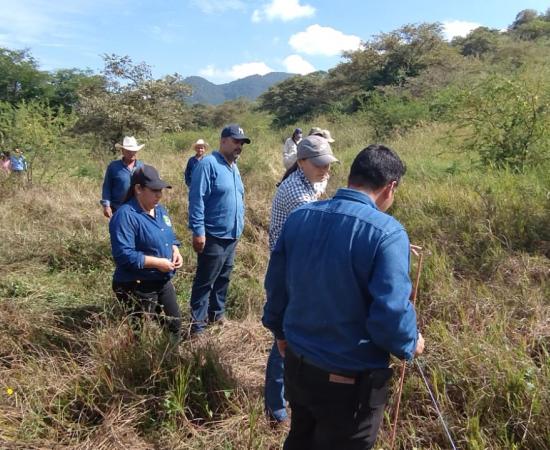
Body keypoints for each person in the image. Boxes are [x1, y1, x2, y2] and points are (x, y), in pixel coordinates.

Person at [263, 144, 425, 450]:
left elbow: (276, 286)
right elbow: (390, 315)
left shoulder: (301, 217)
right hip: (348, 384)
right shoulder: (388, 233)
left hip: (298, 367)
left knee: (300, 438)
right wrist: (410, 342)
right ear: (390, 187)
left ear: (351, 176)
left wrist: (280, 334)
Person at [265, 134, 338, 425]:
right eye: (319, 164)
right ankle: (275, 403)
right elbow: (321, 226)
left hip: (299, 264)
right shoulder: (297, 192)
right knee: (283, 333)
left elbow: (323, 194)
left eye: (328, 164)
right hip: (288, 270)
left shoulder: (309, 181)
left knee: (290, 331)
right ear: (301, 161)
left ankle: (287, 396)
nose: (326, 170)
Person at [188, 124, 250, 335]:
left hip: (232, 234)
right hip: (213, 235)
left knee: (224, 278)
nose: (239, 146)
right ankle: (197, 327)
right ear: (223, 141)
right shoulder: (208, 164)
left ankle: (217, 315)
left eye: (241, 143)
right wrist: (198, 231)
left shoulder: (233, 166)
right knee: (205, 281)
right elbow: (197, 199)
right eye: (235, 141)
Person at [109, 165, 183, 342]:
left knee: (174, 323)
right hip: (136, 284)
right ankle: (139, 365)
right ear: (138, 189)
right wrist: (158, 263)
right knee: (140, 333)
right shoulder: (125, 216)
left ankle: (171, 358)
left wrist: (175, 250)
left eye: (161, 191)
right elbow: (124, 256)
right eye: (154, 190)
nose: (159, 195)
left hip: (162, 279)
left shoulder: (160, 211)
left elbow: (169, 236)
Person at [100, 136, 145, 219]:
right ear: (122, 151)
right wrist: (106, 206)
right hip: (118, 208)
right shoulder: (113, 167)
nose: (131, 153)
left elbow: (146, 187)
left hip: (138, 209)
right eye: (128, 151)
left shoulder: (141, 166)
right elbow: (107, 186)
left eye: (133, 151)